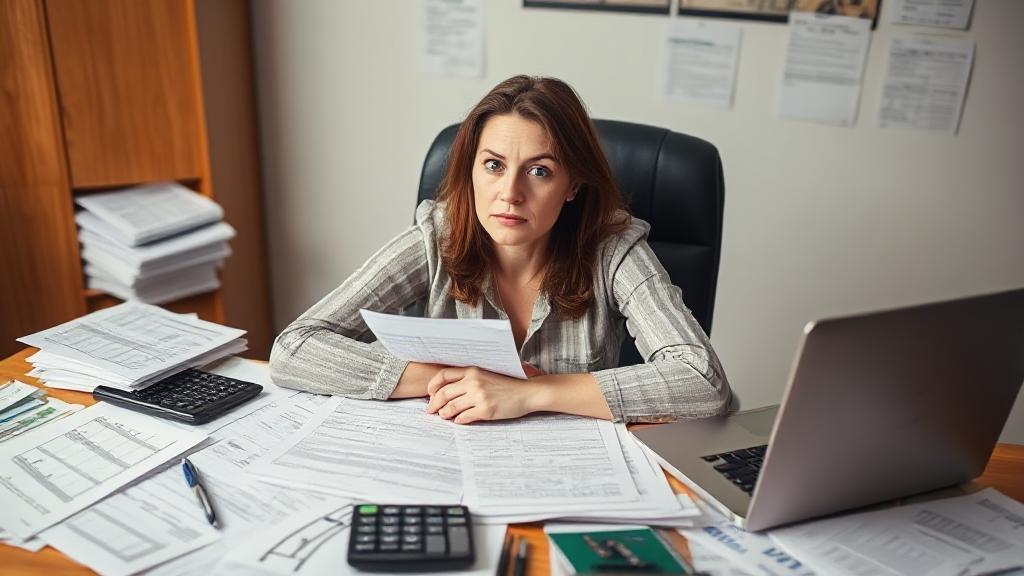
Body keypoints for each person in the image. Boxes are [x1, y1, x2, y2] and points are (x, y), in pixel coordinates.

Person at [269, 75, 731, 424]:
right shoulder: (438, 234)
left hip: (571, 469)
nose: (510, 193)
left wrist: (531, 391)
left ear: (573, 185)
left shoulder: (614, 248)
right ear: (471, 170)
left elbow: (704, 382)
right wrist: (450, 382)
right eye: (493, 165)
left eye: (540, 171)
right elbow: (294, 349)